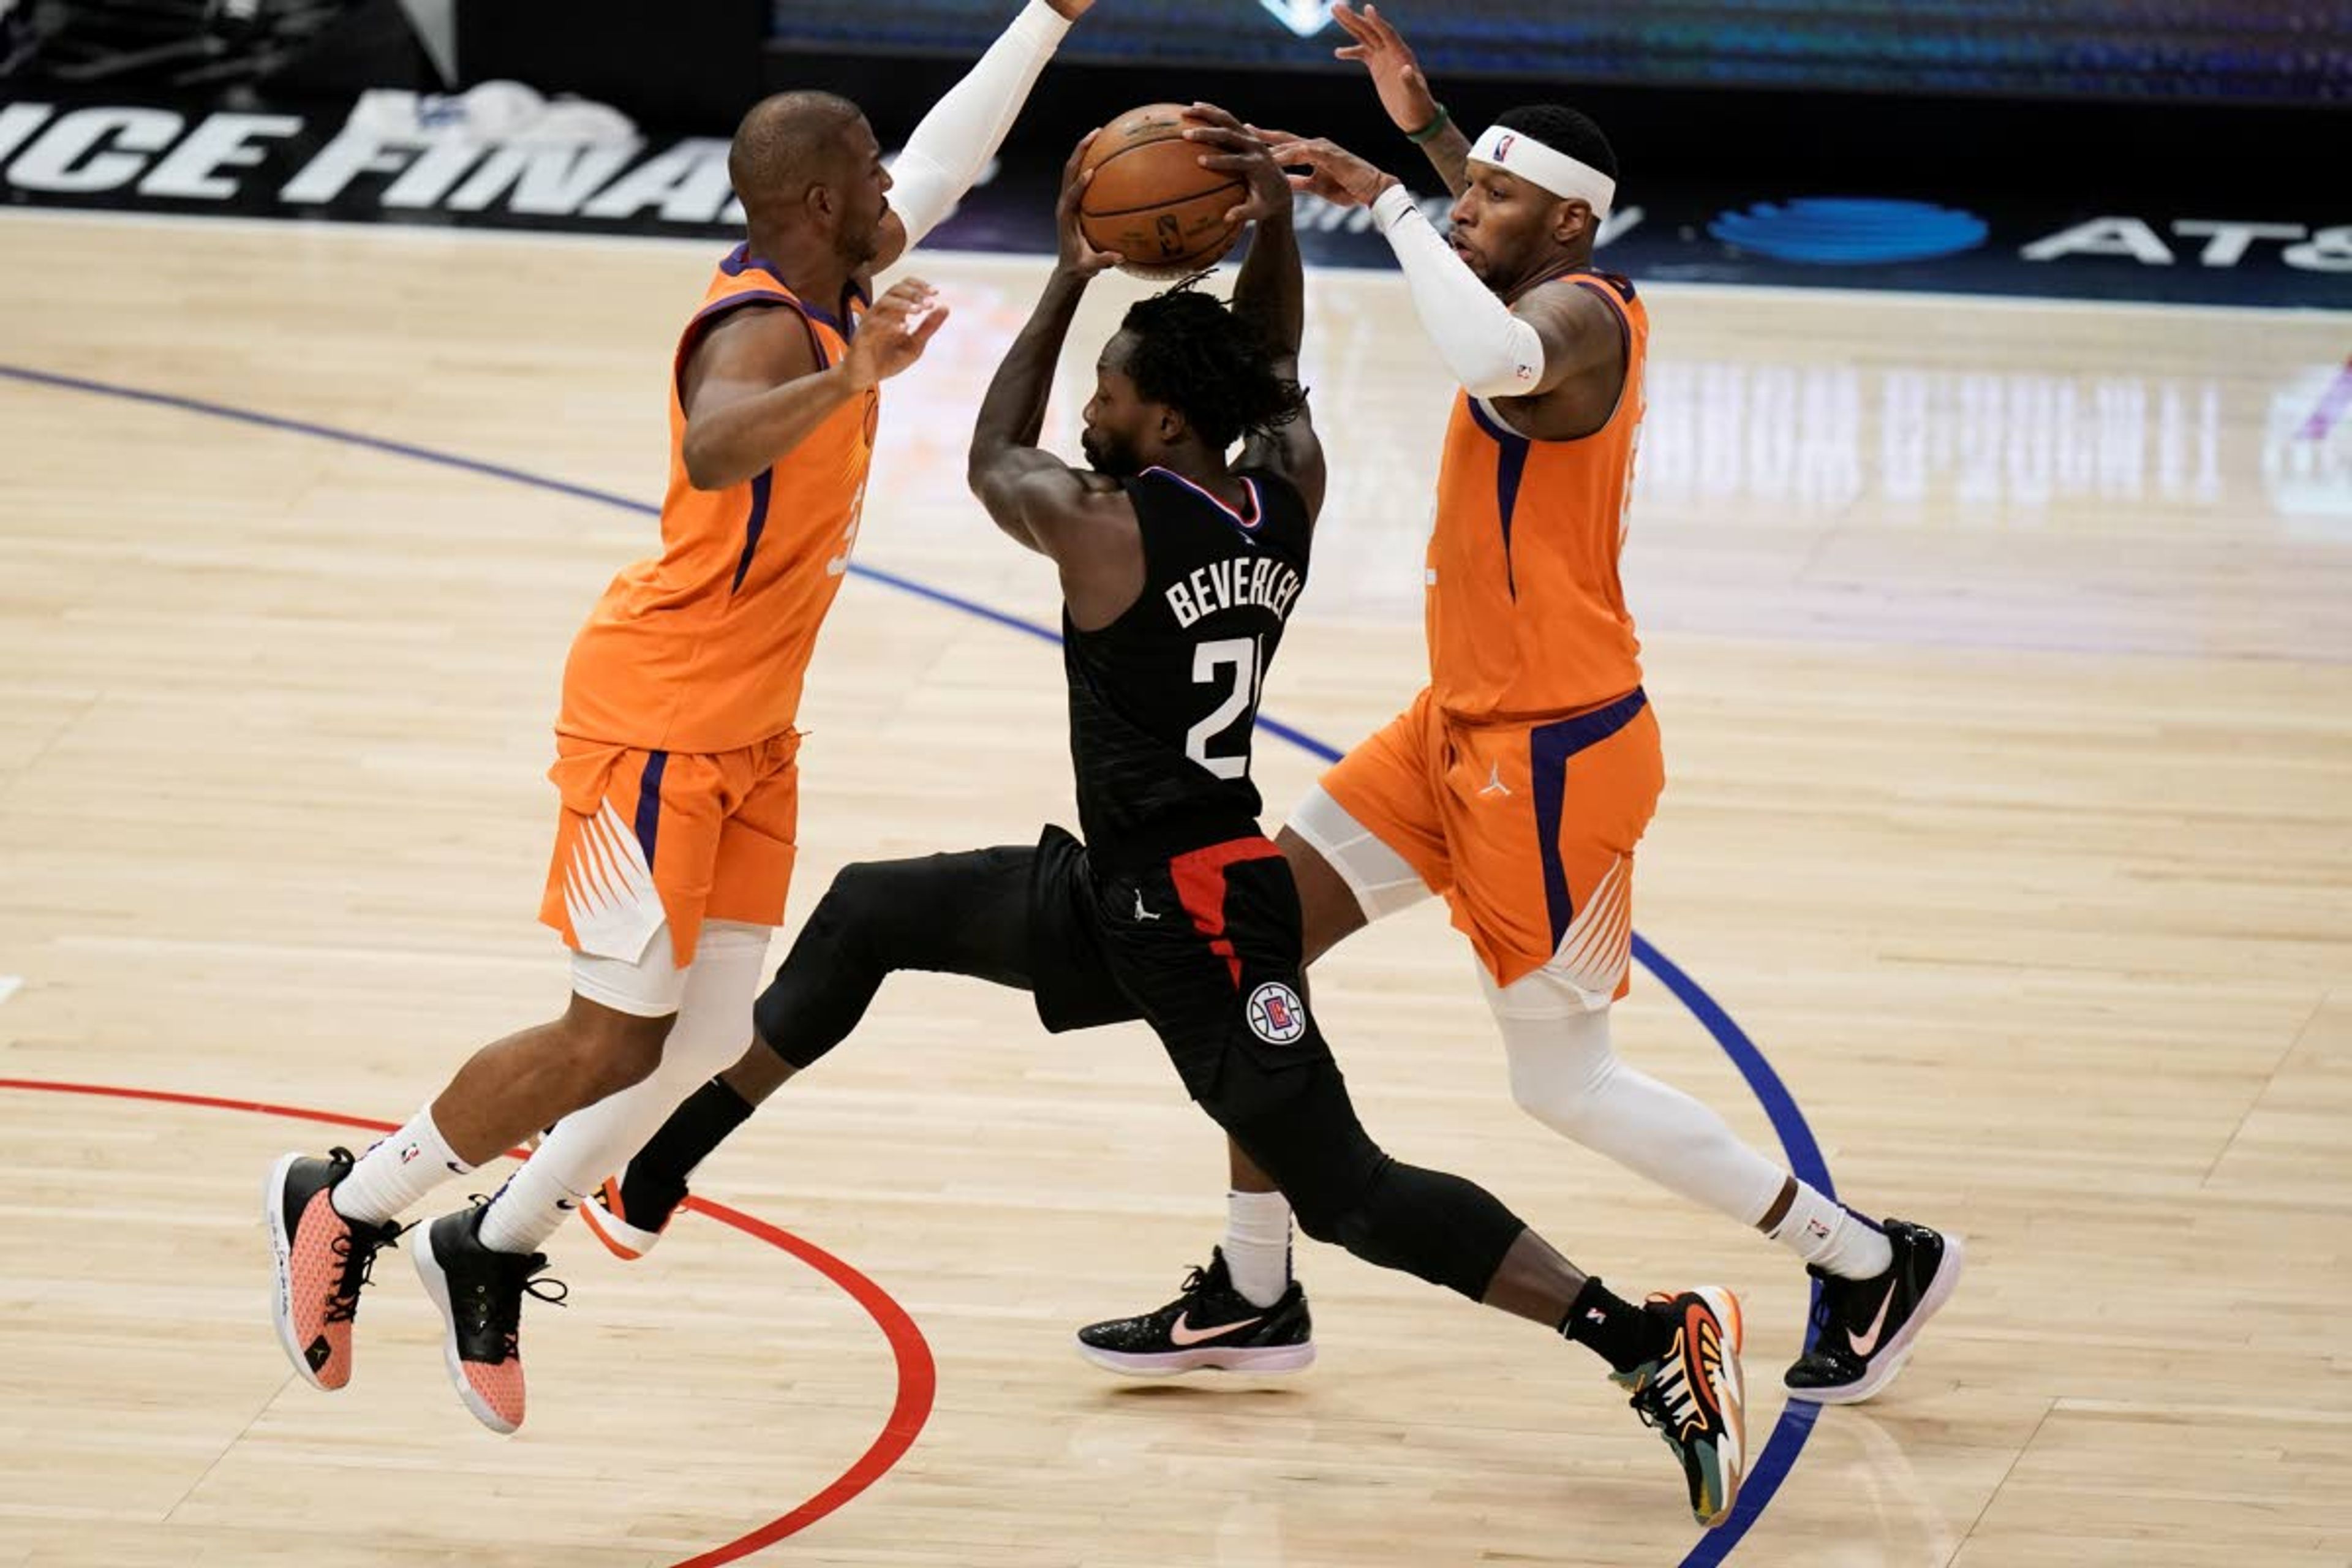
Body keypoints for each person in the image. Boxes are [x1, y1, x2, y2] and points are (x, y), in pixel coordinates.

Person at [592, 4, 1959, 1411]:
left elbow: (1463, 342)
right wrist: (1351, 183)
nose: (1459, 208)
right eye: (1463, 190)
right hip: (1436, 736)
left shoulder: (1560, 328)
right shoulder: (1286, 485)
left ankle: (1846, 1260)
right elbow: (1290, 378)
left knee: (1539, 1092)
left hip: (1538, 754)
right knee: (1211, 923)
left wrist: (1170, 247)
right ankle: (1253, 1286)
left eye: (1493, 199)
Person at [262, 0, 1096, 1436]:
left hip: (754, 727)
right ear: (823, 201)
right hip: (656, 721)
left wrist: (1046, 17)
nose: (902, 197)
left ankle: (495, 1242)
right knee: (606, 1037)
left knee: (704, 1037)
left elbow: (945, 164)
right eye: (875, 182)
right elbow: (717, 443)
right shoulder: (764, 329)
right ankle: (350, 1202)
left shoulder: (828, 270)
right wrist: (846, 381)